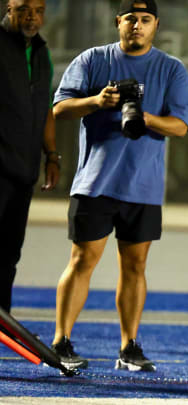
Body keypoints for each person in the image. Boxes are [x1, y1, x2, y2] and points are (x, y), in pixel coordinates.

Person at [51, 0, 188, 372]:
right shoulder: (93, 60)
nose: (137, 25)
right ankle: (60, 342)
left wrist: (144, 116)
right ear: (118, 22)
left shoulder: (171, 68)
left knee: (135, 266)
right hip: (95, 181)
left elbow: (180, 126)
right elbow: (60, 108)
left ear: (156, 25)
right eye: (131, 18)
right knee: (83, 260)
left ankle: (129, 347)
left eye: (145, 19)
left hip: (143, 187)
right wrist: (97, 101)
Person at [0, 0, 59, 315]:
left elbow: (46, 108)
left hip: (24, 171)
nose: (31, 17)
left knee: (9, 255)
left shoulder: (41, 52)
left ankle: (3, 322)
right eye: (23, 8)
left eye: (38, 10)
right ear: (8, 7)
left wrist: (52, 155)